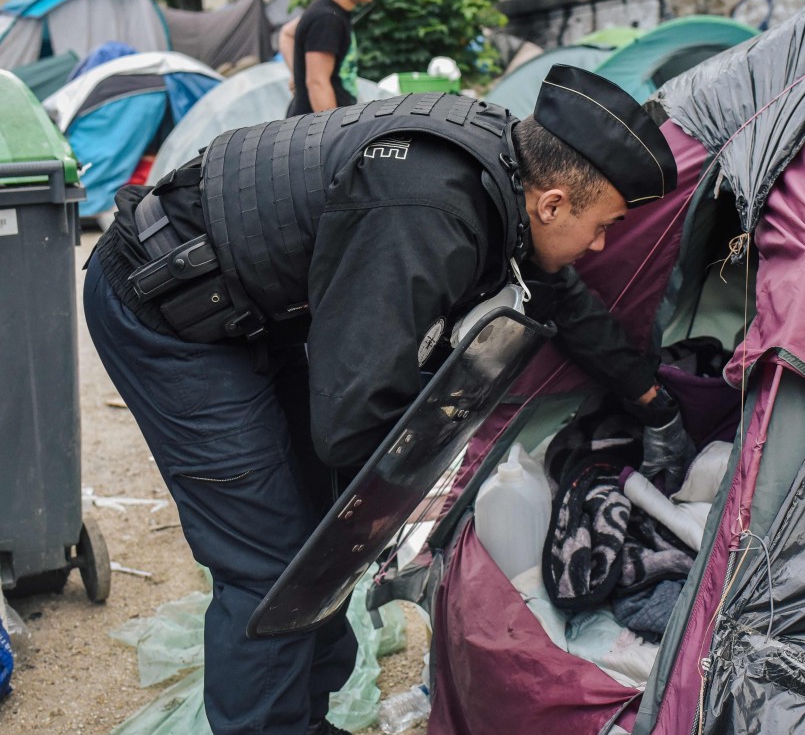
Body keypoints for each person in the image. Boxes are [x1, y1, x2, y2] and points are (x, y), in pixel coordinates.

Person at [83, 65, 687, 735]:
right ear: (552, 203)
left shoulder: (501, 176)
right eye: (602, 226)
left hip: (246, 305)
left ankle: (302, 719)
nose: (599, 245)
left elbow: (563, 301)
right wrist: (422, 513)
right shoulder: (429, 207)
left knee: (318, 531)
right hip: (166, 304)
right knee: (271, 560)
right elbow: (350, 421)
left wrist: (650, 395)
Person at [287, 0, 378, 116]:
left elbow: (287, 33)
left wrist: (297, 74)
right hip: (316, 132)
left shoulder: (329, 12)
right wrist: (336, 136)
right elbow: (317, 83)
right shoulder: (327, 18)